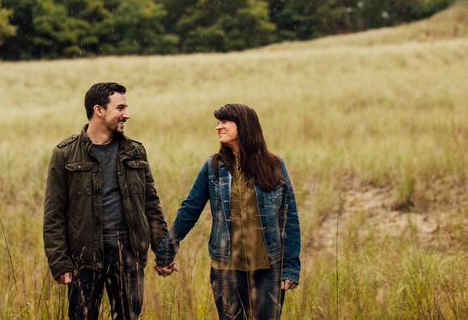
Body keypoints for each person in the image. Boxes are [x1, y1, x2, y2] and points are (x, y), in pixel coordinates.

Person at [157, 103, 301, 320]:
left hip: (268, 269)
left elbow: (290, 217)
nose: (218, 127)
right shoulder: (212, 167)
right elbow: (189, 210)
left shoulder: (274, 165)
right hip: (226, 270)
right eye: (217, 122)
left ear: (243, 125)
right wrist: (166, 252)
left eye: (224, 121)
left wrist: (290, 267)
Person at [43, 82, 172, 320]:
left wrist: (163, 253)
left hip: (129, 255)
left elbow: (151, 206)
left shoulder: (135, 151)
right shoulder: (64, 153)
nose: (127, 114)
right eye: (120, 108)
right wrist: (59, 263)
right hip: (84, 258)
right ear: (99, 110)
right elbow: (54, 214)